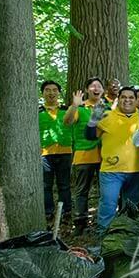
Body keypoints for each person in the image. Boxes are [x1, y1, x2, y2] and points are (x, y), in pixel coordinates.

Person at [85, 87, 139, 234]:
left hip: (136, 170)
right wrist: (93, 120)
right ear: (118, 99)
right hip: (111, 171)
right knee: (108, 204)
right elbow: (90, 136)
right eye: (123, 97)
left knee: (132, 206)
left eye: (131, 97)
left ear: (136, 100)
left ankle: (128, 234)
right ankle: (103, 236)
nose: (127, 100)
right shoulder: (107, 116)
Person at [63, 77, 105, 234]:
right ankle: (80, 223)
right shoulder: (80, 109)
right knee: (82, 191)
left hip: (104, 158)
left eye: (99, 86)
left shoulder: (106, 108)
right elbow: (67, 121)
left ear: (102, 90)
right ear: (87, 90)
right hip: (84, 157)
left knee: (104, 191)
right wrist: (75, 104)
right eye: (93, 86)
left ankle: (102, 221)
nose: (96, 88)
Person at [39, 80, 73, 222]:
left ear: (59, 92)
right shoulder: (37, 111)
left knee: (64, 184)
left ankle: (66, 211)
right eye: (47, 90)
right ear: (43, 93)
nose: (51, 93)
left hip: (65, 151)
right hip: (44, 154)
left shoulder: (67, 110)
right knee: (46, 185)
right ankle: (48, 211)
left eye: (54, 90)